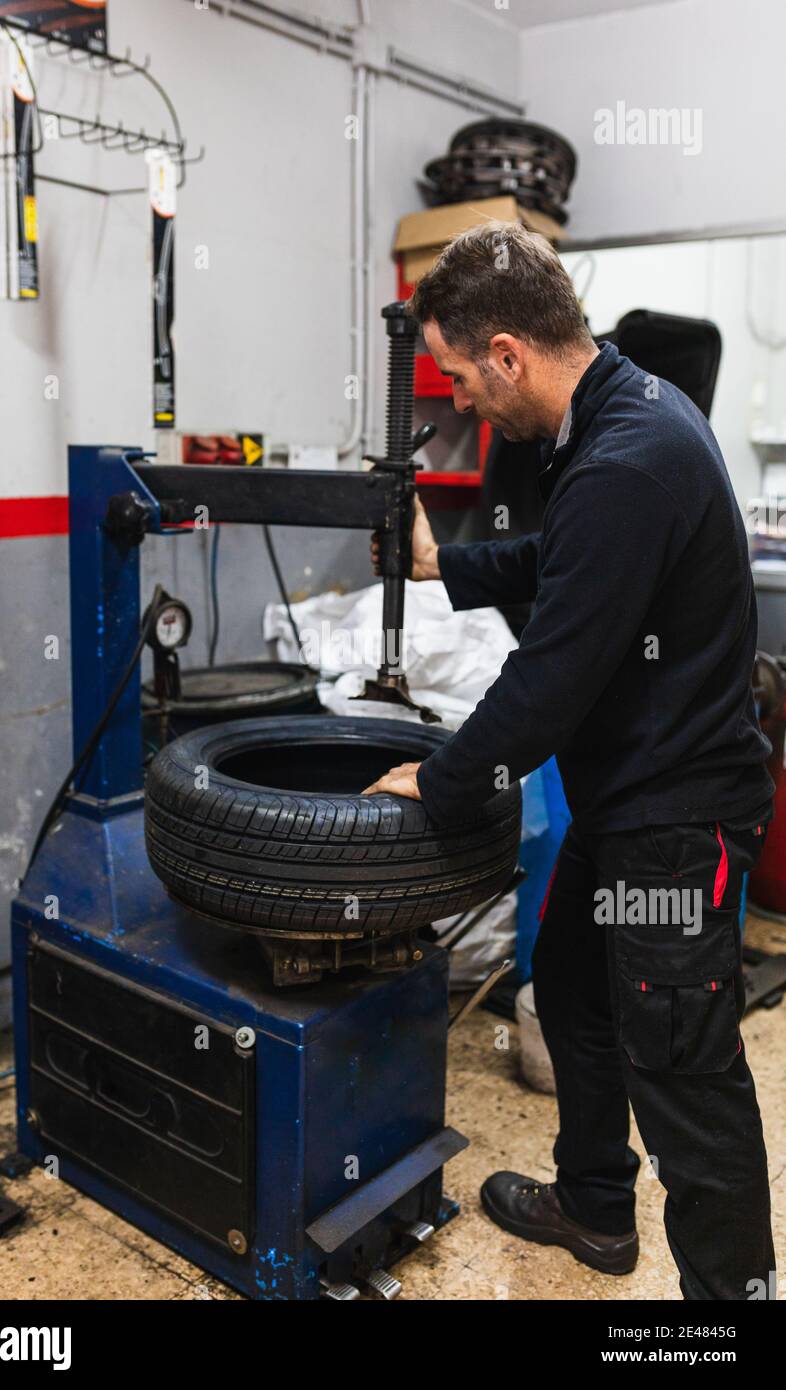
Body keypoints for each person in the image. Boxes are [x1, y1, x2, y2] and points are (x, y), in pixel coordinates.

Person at [362, 221, 775, 1300]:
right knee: (579, 1000)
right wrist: (443, 567)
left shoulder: (625, 460)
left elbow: (548, 684)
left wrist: (444, 780)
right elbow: (566, 560)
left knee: (684, 1067)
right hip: (631, 801)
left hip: (675, 828)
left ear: (506, 353)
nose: (456, 401)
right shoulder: (626, 412)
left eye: (457, 376)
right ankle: (593, 1206)